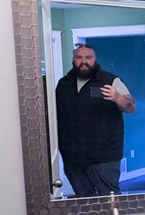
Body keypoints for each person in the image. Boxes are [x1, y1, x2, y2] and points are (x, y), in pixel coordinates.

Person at [55, 43, 136, 197]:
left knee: (110, 199)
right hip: (73, 158)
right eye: (79, 57)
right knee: (84, 200)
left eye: (88, 57)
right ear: (73, 60)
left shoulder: (111, 80)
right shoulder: (63, 84)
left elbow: (130, 106)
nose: (84, 61)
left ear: (95, 60)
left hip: (105, 157)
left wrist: (117, 97)